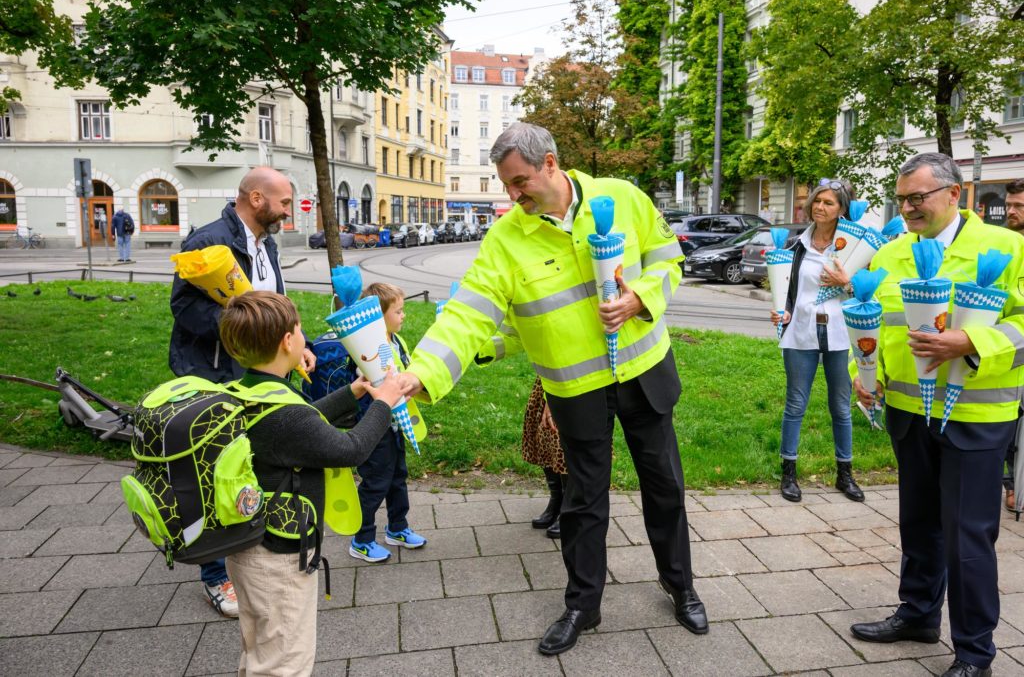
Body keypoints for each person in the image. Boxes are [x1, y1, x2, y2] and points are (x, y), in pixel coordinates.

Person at [396, 122, 707, 656]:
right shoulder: (506, 238)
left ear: (551, 164)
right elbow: (469, 313)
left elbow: (668, 257)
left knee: (666, 488)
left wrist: (642, 298)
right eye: (506, 186)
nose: (514, 196)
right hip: (575, 389)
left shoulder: (622, 197)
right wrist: (420, 373)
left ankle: (681, 586)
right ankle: (583, 606)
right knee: (584, 503)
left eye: (519, 181)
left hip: (645, 371)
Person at [849, 153, 1024, 677]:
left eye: (917, 198)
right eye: (902, 199)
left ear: (954, 194)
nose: (907, 208)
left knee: (968, 533)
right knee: (919, 523)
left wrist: (970, 340)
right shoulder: (894, 251)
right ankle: (919, 614)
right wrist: (869, 370)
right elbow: (881, 319)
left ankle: (975, 652)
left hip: (977, 414)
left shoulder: (1007, 247)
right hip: (907, 409)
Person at [218, 290, 403, 676]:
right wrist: (383, 402)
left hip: (246, 546)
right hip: (277, 559)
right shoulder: (285, 413)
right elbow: (349, 448)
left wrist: (352, 392)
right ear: (288, 341)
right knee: (286, 663)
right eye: (299, 328)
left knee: (260, 649)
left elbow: (303, 421)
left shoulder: (250, 390)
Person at [168, 166, 316, 618]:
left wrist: (297, 343)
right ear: (256, 198)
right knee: (216, 472)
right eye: (284, 203)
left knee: (251, 466)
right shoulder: (208, 242)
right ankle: (216, 576)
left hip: (263, 373)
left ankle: (249, 545)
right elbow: (184, 307)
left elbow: (274, 302)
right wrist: (244, 332)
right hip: (217, 374)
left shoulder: (266, 242)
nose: (289, 211)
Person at [770, 179, 863, 503]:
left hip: (839, 333)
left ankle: (845, 474)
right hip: (801, 332)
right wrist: (782, 312)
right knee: (795, 404)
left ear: (842, 209)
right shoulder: (796, 245)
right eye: (817, 201)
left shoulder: (853, 246)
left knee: (841, 406)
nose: (821, 207)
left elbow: (867, 293)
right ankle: (789, 473)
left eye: (829, 203)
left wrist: (847, 283)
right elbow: (787, 292)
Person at [347, 282, 428, 562]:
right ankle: (362, 538)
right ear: (377, 318)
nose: (403, 315)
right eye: (398, 311)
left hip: (395, 424)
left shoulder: (395, 340)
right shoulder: (367, 349)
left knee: (397, 477)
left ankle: (397, 527)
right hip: (374, 427)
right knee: (375, 482)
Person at [1001, 178, 1024, 511]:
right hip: (1010, 347)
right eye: (1009, 205)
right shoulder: (1002, 245)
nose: (1011, 211)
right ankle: (1009, 482)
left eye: (1019, 206)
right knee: (1009, 418)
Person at [522, 376, 567, 538]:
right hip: (549, 375)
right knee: (541, 428)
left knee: (561, 442)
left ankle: (570, 509)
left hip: (572, 381)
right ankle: (557, 500)